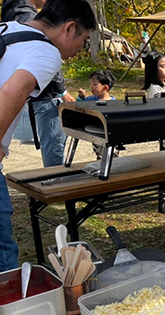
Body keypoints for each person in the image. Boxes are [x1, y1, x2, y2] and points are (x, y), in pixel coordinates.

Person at [0, 0, 95, 272]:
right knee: (2, 254)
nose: (80, 50)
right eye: (83, 40)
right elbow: (11, 92)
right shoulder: (45, 51)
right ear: (69, 28)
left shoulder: (8, 27)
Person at [2, 0, 75, 168]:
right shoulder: (28, 18)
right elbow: (11, 91)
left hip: (36, 94)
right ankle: (54, 188)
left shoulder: (11, 15)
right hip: (46, 97)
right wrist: (61, 91)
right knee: (53, 149)